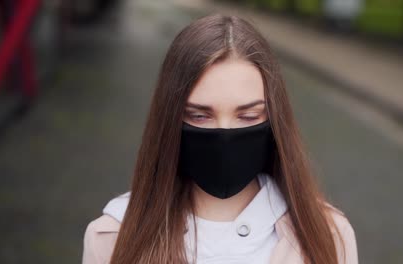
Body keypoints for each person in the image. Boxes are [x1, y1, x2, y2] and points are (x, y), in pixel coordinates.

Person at [82, 13, 358, 264]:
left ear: (275, 119)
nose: (224, 134)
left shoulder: (328, 236)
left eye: (248, 116)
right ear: (170, 120)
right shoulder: (112, 238)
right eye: (200, 116)